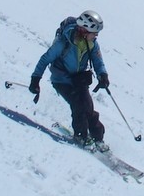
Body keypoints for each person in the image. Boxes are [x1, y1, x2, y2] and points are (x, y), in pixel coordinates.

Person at [30, 10, 111, 152]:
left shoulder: (92, 43)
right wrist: (35, 79)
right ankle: (81, 135)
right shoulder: (64, 42)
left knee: (88, 107)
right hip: (61, 80)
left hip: (78, 79)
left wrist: (102, 75)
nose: (96, 36)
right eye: (94, 32)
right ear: (84, 30)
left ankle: (98, 138)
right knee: (78, 104)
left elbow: (98, 61)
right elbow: (46, 59)